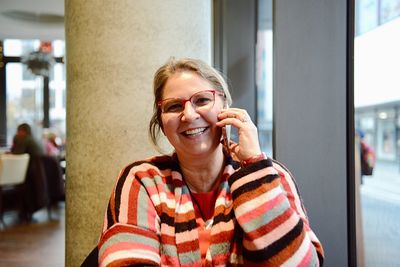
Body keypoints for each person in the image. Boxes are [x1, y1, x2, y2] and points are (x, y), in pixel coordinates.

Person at [98, 58, 324, 266]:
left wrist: (254, 166)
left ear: (225, 108)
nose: (189, 115)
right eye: (174, 106)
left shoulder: (270, 174)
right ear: (162, 123)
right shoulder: (142, 179)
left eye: (202, 100)